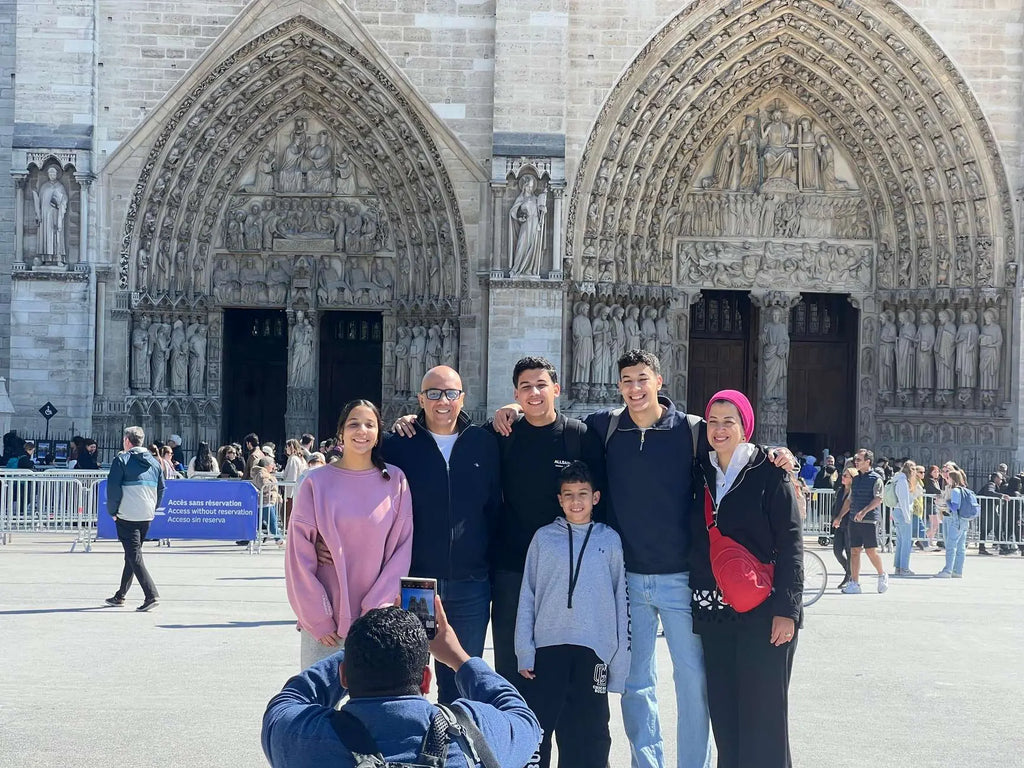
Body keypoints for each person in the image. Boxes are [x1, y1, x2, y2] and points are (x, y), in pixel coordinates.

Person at [491, 350, 796, 768]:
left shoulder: (691, 430)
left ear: (659, 381)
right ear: (618, 386)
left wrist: (779, 454)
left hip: (681, 578)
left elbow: (734, 436)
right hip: (629, 578)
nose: (635, 388)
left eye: (642, 379)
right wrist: (510, 408)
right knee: (636, 684)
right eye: (627, 381)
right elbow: (546, 409)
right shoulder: (606, 426)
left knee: (692, 682)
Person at [261, 600, 542, 768]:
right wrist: (459, 659)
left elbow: (287, 701)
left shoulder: (304, 738)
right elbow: (524, 718)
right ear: (426, 679)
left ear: (344, 676)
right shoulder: (473, 733)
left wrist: (361, 649)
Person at [691, 390, 803, 768]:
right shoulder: (699, 471)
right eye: (714, 421)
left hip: (764, 610)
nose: (720, 429)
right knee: (725, 713)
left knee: (764, 716)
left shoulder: (770, 472)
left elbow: (791, 543)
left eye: (729, 421)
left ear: (745, 427)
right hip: (714, 612)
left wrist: (788, 610)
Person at [381, 366, 501, 704]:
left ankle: (455, 751)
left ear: (463, 398)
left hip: (470, 583)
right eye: (433, 393)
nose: (443, 401)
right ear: (420, 398)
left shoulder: (484, 443)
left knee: (462, 678)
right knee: (407, 676)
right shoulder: (397, 445)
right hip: (416, 583)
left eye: (450, 393)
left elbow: (495, 508)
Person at [486, 357, 605, 688]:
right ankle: (515, 735)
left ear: (556, 389)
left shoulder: (579, 436)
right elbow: (453, 430)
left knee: (561, 665)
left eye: (541, 385)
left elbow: (602, 501)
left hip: (566, 571)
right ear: (516, 393)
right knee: (510, 666)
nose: (534, 392)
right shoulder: (503, 434)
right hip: (512, 567)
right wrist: (414, 417)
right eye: (525, 387)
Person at [515, 461, 628, 768]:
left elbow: (621, 602)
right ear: (559, 500)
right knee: (539, 729)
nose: (576, 501)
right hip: (548, 649)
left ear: (596, 497)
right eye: (568, 495)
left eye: (582, 493)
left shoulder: (610, 540)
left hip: (594, 650)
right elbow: (528, 594)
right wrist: (525, 650)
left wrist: (618, 661)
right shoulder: (543, 539)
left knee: (590, 731)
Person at [285, 400, 413, 668]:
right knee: (318, 705)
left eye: (370, 425)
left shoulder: (395, 481)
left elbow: (402, 548)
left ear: (379, 433)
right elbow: (298, 555)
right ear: (341, 431)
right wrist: (317, 617)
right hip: (326, 624)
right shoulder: (315, 482)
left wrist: (375, 610)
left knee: (374, 706)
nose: (362, 431)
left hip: (376, 622)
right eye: (354, 424)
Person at [104, 426, 164, 612]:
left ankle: (151, 594)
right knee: (131, 554)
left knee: (134, 555)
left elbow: (113, 489)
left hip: (127, 514)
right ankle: (120, 595)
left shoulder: (121, 460)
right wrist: (152, 507)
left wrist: (112, 511)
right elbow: (161, 488)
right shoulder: (155, 463)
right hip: (146, 514)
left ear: (127, 441)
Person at [835, 449, 889, 594]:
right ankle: (855, 583)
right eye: (855, 459)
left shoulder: (876, 478)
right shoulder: (856, 479)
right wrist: (839, 517)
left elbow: (878, 498)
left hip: (869, 520)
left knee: (871, 551)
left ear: (868, 462)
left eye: (859, 459)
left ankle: (881, 574)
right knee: (854, 551)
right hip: (854, 519)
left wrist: (864, 511)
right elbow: (850, 499)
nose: (856, 462)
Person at [935, 469, 971, 578]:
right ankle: (958, 571)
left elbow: (954, 507)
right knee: (961, 547)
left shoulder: (955, 491)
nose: (947, 479)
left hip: (955, 520)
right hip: (964, 521)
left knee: (951, 546)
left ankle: (948, 570)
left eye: (949, 478)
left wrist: (946, 501)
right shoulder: (964, 490)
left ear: (953, 479)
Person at [831, 467, 858, 590]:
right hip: (840, 523)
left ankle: (850, 575)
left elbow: (849, 506)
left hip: (849, 523)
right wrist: (835, 518)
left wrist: (839, 518)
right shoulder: (840, 490)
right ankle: (848, 570)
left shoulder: (854, 492)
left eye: (846, 476)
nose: (843, 477)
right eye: (843, 475)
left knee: (849, 550)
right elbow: (836, 505)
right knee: (837, 550)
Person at [891, 460, 917, 576]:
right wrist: (907, 517)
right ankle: (904, 568)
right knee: (906, 542)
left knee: (901, 541)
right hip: (902, 512)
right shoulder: (902, 481)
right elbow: (904, 501)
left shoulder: (899, 479)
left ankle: (898, 566)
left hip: (898, 512)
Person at [255, 456, 284, 546]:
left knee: (266, 522)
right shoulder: (262, 474)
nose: (274, 466)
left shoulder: (265, 473)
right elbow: (265, 486)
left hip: (268, 500)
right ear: (267, 465)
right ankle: (279, 539)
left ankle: (254, 538)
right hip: (265, 501)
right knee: (272, 521)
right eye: (272, 464)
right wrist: (272, 482)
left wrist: (277, 495)